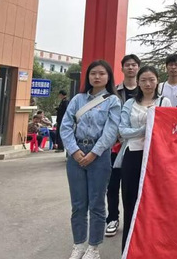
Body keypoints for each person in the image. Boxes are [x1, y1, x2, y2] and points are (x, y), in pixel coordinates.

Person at [59, 60, 122, 259]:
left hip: (100, 155)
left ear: (108, 77)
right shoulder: (77, 99)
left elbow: (111, 130)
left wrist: (94, 153)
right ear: (88, 76)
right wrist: (74, 151)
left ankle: (93, 247)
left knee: (96, 203)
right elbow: (65, 126)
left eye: (101, 73)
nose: (97, 77)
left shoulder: (113, 101)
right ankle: (78, 244)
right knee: (78, 204)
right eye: (93, 73)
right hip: (76, 153)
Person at [118, 65, 171, 252]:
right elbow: (123, 131)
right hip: (132, 155)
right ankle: (128, 249)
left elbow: (168, 131)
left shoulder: (165, 102)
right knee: (130, 202)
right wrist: (145, 128)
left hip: (156, 158)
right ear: (138, 82)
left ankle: (152, 249)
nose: (148, 84)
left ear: (157, 81)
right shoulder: (129, 103)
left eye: (151, 80)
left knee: (154, 204)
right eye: (143, 80)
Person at [106, 54, 141, 238]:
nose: (131, 68)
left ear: (138, 68)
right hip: (114, 145)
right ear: (122, 68)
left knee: (132, 187)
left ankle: (134, 220)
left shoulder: (144, 91)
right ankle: (112, 218)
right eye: (127, 65)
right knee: (112, 185)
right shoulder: (114, 92)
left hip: (135, 146)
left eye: (134, 65)